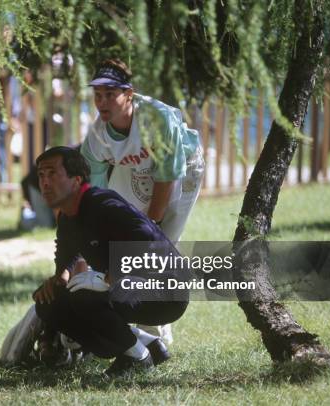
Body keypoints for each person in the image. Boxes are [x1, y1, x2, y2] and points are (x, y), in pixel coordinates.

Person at [32, 146, 189, 376]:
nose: (45, 182)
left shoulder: (102, 204)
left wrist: (110, 277)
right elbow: (65, 254)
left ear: (76, 180)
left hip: (166, 292)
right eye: (41, 175)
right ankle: (148, 344)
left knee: (86, 297)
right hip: (129, 288)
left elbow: (147, 237)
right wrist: (58, 280)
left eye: (52, 173)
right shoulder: (67, 217)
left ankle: (138, 358)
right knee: (50, 304)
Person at [80, 59, 204, 341]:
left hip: (183, 168)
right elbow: (96, 196)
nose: (102, 102)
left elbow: (168, 174)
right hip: (134, 168)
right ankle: (143, 321)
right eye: (98, 95)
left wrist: (150, 226)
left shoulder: (156, 119)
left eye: (110, 94)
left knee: (162, 243)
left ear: (129, 94)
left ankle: (158, 323)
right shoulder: (98, 137)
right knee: (123, 241)